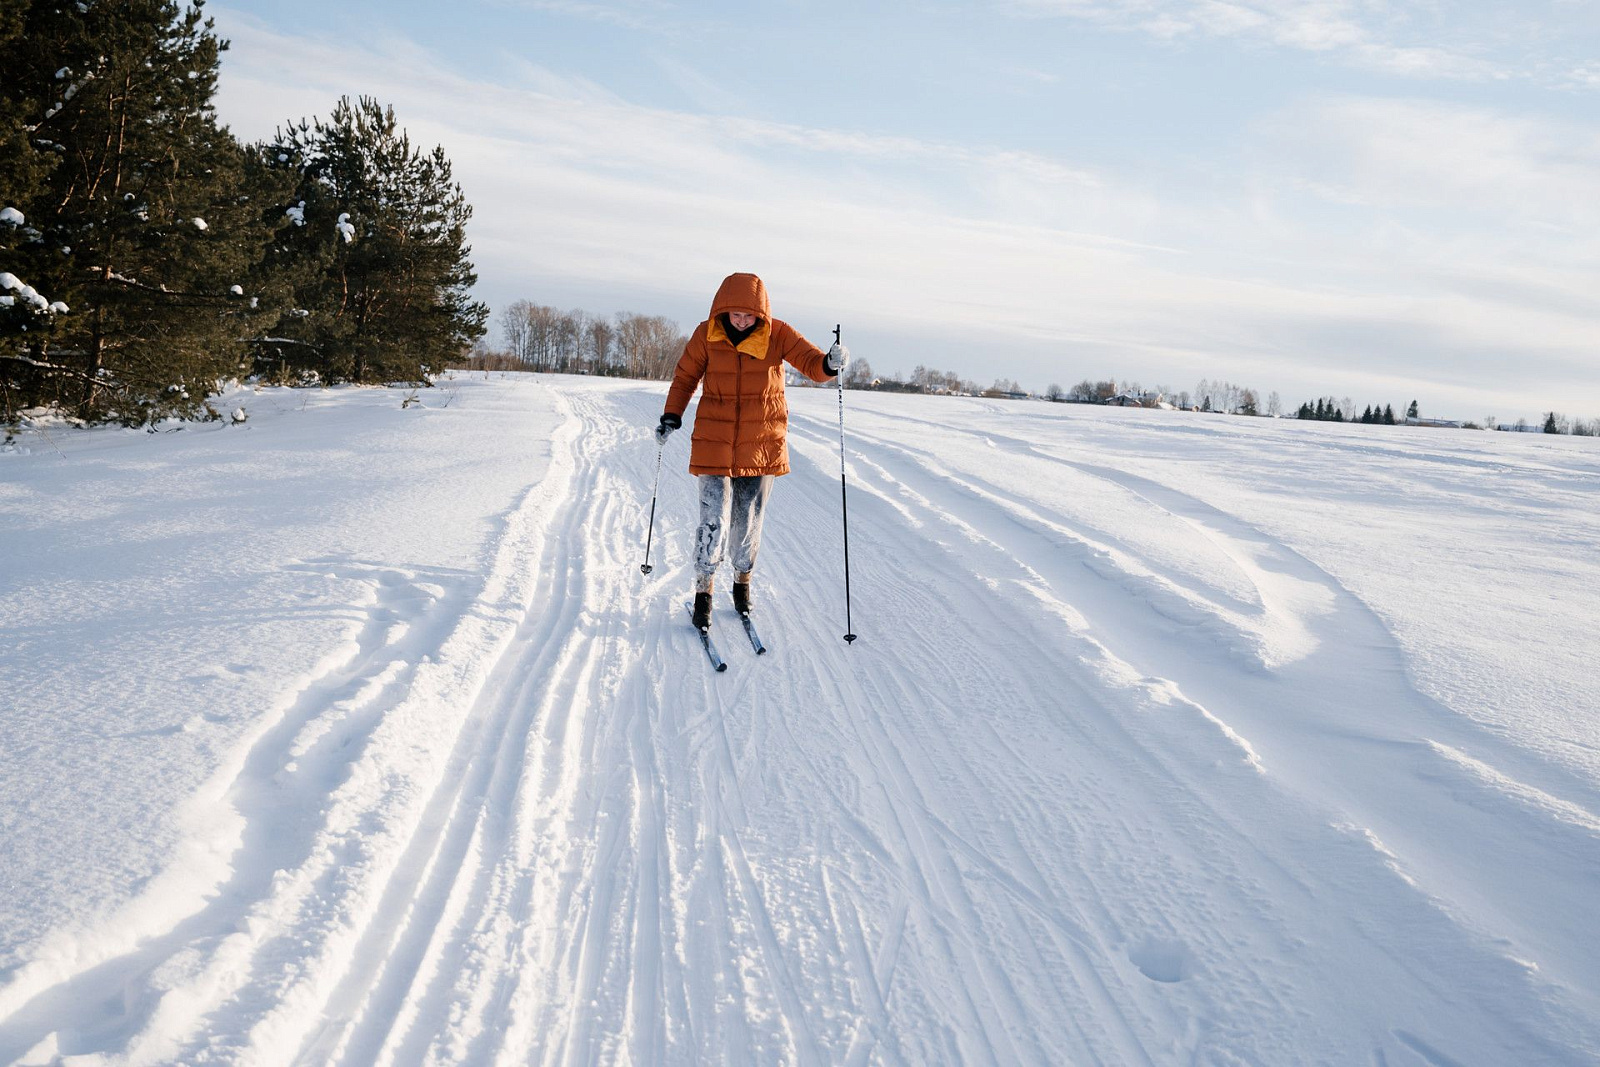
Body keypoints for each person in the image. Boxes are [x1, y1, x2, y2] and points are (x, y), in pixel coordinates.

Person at [655, 272, 848, 631]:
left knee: (747, 521)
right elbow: (685, 377)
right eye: (735, 315)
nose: (742, 321)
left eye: (749, 316)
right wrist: (672, 415)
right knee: (712, 520)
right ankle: (704, 591)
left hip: (760, 445)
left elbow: (812, 364)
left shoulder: (778, 334)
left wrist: (830, 363)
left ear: (760, 314)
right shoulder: (706, 334)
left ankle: (742, 583)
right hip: (714, 440)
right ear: (722, 310)